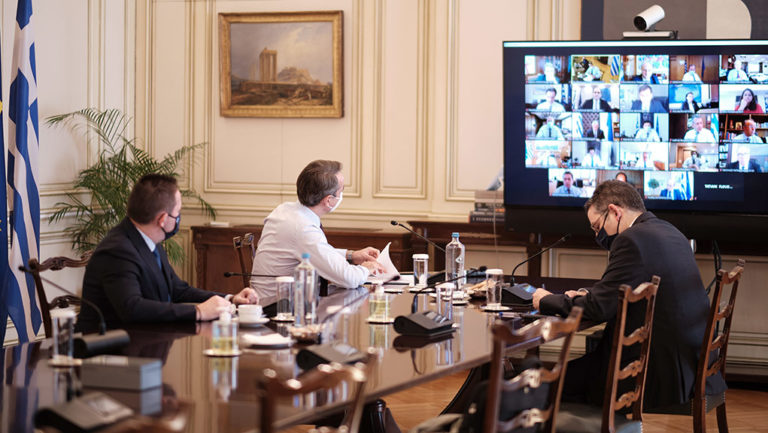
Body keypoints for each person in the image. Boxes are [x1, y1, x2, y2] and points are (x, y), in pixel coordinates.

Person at [532, 180, 726, 410]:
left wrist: (545, 300)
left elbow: (598, 308)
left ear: (614, 211)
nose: (598, 235)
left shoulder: (631, 239)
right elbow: (623, 287)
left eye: (597, 226)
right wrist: (587, 293)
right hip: (691, 368)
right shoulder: (668, 230)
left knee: (537, 384)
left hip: (652, 373)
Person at [77, 174, 259, 332]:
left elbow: (177, 289)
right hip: (109, 356)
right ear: (163, 219)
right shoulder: (118, 250)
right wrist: (198, 312)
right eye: (177, 212)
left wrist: (229, 299)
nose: (179, 218)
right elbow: (132, 308)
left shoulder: (148, 239)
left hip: (145, 343)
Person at [250, 160, 384, 311]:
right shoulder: (302, 228)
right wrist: (366, 268)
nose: (342, 195)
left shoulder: (286, 210)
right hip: (280, 309)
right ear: (328, 200)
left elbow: (315, 251)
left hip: (282, 301)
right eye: (341, 191)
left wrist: (351, 255)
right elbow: (348, 278)